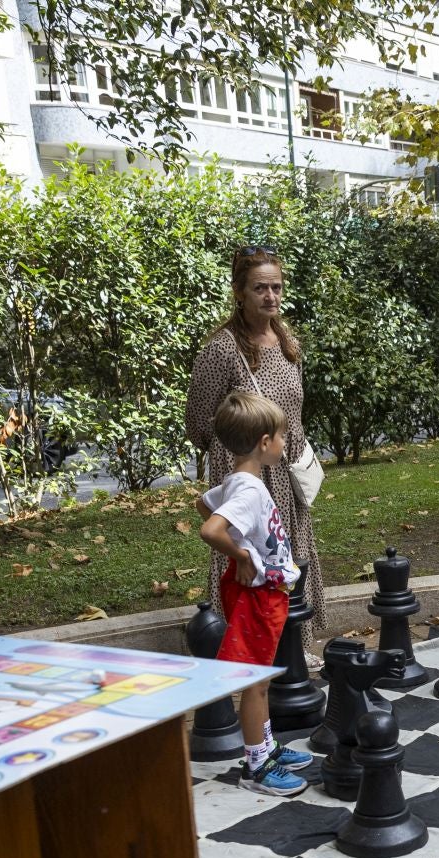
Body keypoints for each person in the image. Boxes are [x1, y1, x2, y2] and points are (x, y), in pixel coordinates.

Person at [186, 247, 327, 639]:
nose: (270, 296)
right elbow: (199, 421)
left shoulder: (287, 342)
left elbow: (295, 408)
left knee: (287, 549)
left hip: (287, 462)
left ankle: (293, 642)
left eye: (276, 287)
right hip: (248, 466)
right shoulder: (222, 349)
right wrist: (237, 450)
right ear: (239, 292)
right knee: (249, 548)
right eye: (260, 287)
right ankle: (240, 641)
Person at [195, 392, 311, 797]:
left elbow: (203, 504)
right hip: (259, 594)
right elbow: (210, 529)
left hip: (265, 591)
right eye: (281, 436)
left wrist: (241, 546)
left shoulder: (237, 482)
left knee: (259, 678)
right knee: (256, 681)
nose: (284, 443)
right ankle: (257, 766)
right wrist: (242, 554)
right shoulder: (250, 490)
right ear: (264, 443)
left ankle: (266, 746)